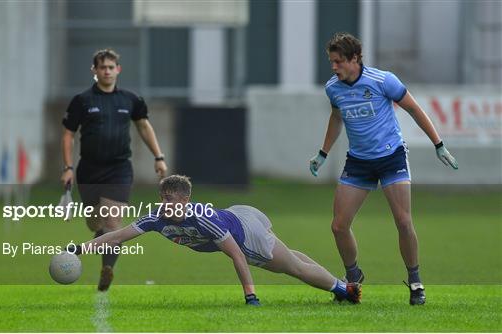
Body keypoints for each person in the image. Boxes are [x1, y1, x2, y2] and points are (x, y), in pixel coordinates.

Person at [309, 32, 458, 305]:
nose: (334, 67)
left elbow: (414, 109)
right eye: (331, 62)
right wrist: (323, 153)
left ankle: (415, 282)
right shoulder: (334, 88)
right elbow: (336, 117)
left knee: (403, 222)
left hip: (391, 158)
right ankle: (353, 279)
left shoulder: (383, 80)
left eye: (339, 61)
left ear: (355, 59)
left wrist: (439, 144)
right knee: (339, 226)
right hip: (358, 161)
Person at [67, 175, 362, 305]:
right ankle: (338, 285)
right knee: (291, 258)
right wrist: (80, 248)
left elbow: (235, 255)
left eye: (170, 199)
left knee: (292, 268)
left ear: (186, 200)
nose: (165, 204)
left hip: (246, 235)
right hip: (237, 216)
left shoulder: (203, 218)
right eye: (163, 198)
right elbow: (119, 235)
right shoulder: (156, 218)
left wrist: (250, 295)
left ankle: (345, 290)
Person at [61, 48, 168, 291]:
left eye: (111, 67)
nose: (107, 71)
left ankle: (107, 268)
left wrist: (158, 156)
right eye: (102, 67)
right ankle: (101, 240)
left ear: (118, 70)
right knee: (94, 222)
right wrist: (67, 167)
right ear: (94, 71)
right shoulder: (82, 101)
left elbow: (143, 126)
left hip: (119, 169)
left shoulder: (130, 100)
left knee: (113, 220)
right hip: (88, 170)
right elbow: (68, 135)